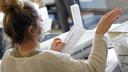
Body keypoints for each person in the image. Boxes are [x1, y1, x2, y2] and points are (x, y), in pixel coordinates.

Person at [0, 0, 122, 72]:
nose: (42, 23)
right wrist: (100, 33)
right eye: (40, 21)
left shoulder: (7, 57)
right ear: (31, 30)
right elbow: (93, 69)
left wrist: (51, 51)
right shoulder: (48, 58)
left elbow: (32, 64)